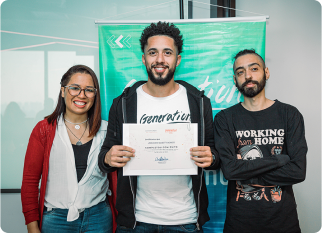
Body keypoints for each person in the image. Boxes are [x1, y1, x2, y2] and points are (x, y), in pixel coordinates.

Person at [98, 21, 219, 233]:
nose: (160, 59)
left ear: (177, 59)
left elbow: (215, 154)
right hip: (137, 222)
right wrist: (108, 158)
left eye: (167, 53)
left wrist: (212, 158)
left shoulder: (199, 103)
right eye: (153, 52)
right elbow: (105, 158)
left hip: (186, 219)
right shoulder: (124, 103)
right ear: (144, 58)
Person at [214, 49, 307, 233]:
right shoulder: (225, 119)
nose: (247, 76)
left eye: (254, 69)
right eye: (240, 72)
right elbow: (230, 171)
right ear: (235, 80)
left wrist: (245, 172)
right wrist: (279, 161)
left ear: (266, 72)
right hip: (239, 225)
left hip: (283, 224)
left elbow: (297, 171)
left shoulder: (290, 115)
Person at [21, 65, 117, 233]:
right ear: (63, 91)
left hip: (99, 218)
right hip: (56, 219)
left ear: (95, 95)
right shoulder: (44, 130)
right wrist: (32, 225)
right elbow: (30, 181)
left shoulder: (107, 130)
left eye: (89, 90)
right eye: (75, 88)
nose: (82, 95)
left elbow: (116, 178)